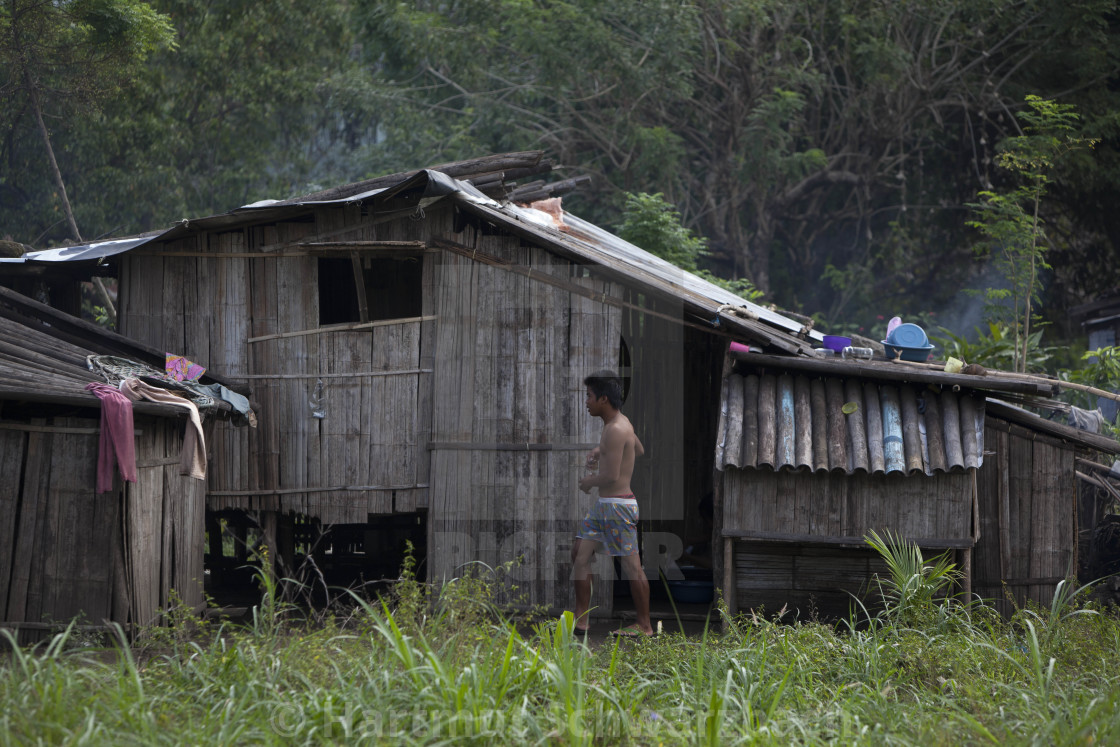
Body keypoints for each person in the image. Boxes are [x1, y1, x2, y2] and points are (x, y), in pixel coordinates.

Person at [571, 369, 653, 637]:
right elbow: (637, 449)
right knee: (580, 554)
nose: (586, 401)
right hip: (605, 506)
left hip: (618, 506)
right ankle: (582, 620)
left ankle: (644, 625)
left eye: (589, 396)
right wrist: (601, 451)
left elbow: (611, 476)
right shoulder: (618, 425)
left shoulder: (616, 428)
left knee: (632, 567)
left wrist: (588, 481)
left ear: (603, 399)